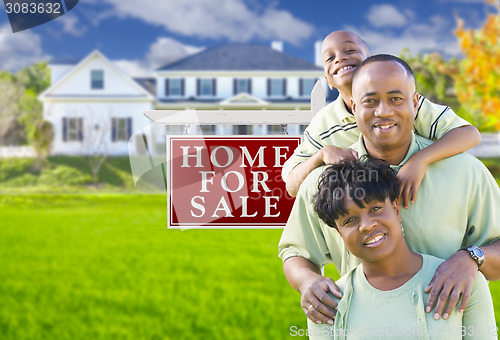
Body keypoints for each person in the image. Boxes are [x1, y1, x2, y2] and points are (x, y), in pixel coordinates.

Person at [278, 54, 500, 327]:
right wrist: (307, 281)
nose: (383, 111)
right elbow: (295, 252)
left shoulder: (466, 172)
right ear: (353, 105)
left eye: (396, 99)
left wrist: (472, 258)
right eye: (370, 101)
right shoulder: (324, 183)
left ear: (415, 102)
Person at [282, 31, 481, 211]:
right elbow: (291, 185)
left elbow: (468, 134)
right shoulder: (324, 124)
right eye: (330, 58)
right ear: (328, 81)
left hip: (420, 201)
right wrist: (321, 155)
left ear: (370, 61)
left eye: (350, 50)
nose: (340, 58)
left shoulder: (404, 104)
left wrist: (420, 159)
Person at [307, 157, 496, 339]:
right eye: (349, 220)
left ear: (396, 211)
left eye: (375, 209)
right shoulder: (326, 303)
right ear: (340, 234)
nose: (366, 225)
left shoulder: (462, 282)